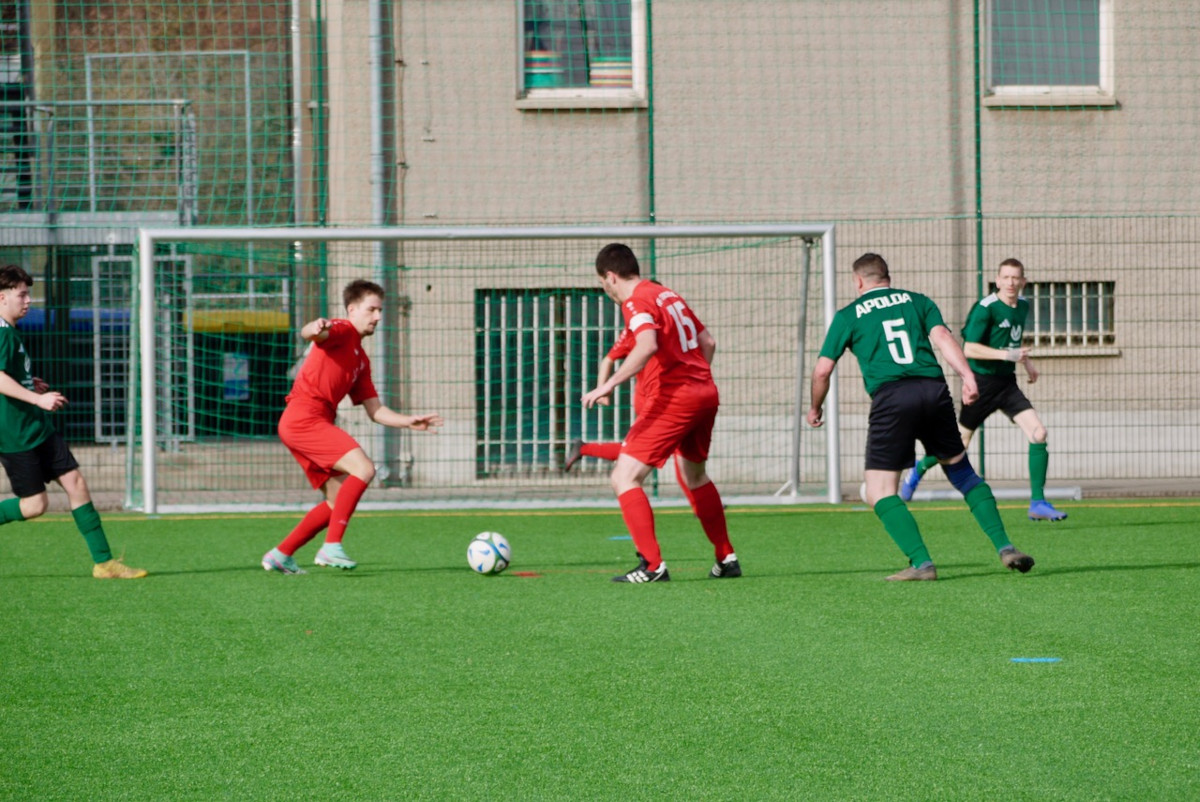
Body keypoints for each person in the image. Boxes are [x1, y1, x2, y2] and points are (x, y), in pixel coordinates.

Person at [807, 253, 1034, 581]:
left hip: (892, 398)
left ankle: (921, 563)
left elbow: (822, 370)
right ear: (887, 276)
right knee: (963, 473)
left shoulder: (848, 315)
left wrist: (815, 407)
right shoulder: (917, 301)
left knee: (879, 491)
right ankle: (1006, 547)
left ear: (858, 281)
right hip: (934, 390)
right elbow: (943, 338)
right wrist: (969, 378)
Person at [262, 279, 443, 574]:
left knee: (336, 501)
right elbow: (312, 333)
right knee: (364, 469)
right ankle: (331, 547)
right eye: (372, 309)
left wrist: (408, 421)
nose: (378, 317)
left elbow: (376, 410)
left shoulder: (361, 359)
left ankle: (280, 554)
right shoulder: (342, 330)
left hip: (306, 422)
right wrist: (313, 328)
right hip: (304, 417)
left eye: (380, 311)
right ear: (352, 309)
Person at [581, 243, 738, 582]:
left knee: (624, 477)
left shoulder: (636, 300)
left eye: (602, 283)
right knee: (696, 477)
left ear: (610, 277)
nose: (605, 290)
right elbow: (707, 341)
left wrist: (608, 385)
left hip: (676, 398)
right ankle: (726, 557)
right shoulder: (667, 294)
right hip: (705, 393)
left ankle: (652, 566)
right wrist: (695, 379)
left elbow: (647, 344)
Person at [0, 264, 146, 579]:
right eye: (22, 295)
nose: (28, 301)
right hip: (14, 434)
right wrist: (37, 398)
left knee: (76, 482)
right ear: (1, 298)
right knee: (35, 506)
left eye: (29, 294)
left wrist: (29, 384)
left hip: (36, 427)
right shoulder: (1, 334)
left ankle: (104, 563)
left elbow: (9, 376)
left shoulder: (10, 331)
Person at [899, 258, 1067, 521]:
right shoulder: (985, 308)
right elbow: (969, 348)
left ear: (1023, 281)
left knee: (1039, 433)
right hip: (981, 384)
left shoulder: (1022, 306)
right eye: (1006, 278)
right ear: (997, 281)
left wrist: (1028, 364)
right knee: (959, 444)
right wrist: (1005, 355)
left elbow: (1014, 341)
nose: (1011, 283)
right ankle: (919, 468)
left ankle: (1038, 502)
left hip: (1007, 384)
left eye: (1016, 278)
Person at [564, 326, 698, 513]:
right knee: (654, 452)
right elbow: (608, 360)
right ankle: (698, 504)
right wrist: (603, 389)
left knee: (651, 451)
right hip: (652, 400)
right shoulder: (634, 332)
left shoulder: (668, 328)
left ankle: (584, 448)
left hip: (669, 398)